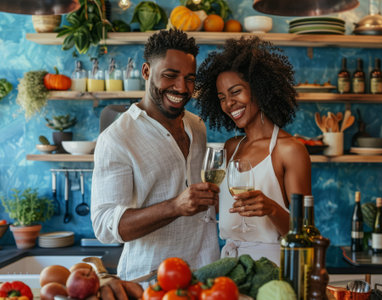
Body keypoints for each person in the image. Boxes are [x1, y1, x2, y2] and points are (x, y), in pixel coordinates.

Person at [91, 29, 220, 285]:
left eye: (190, 78)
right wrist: (175, 206)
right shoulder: (117, 137)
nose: (182, 88)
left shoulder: (197, 126)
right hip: (150, 281)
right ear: (147, 71)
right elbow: (105, 226)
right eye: (170, 76)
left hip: (207, 275)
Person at [195, 37, 311, 265]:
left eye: (236, 92)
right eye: (222, 98)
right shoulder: (231, 147)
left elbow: (305, 234)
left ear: (259, 89)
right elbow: (227, 210)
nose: (229, 104)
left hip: (273, 266)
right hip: (229, 265)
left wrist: (271, 208)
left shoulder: (289, 150)